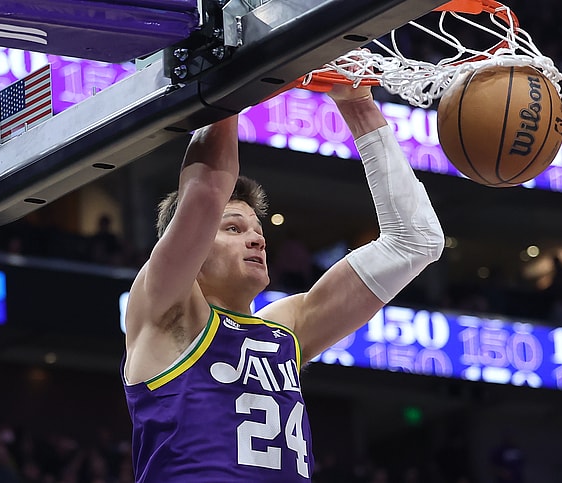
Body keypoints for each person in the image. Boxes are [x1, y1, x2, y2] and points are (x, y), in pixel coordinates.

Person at [121, 81, 444, 482]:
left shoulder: (285, 330)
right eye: (233, 229)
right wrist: (237, 75)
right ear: (193, 241)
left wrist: (358, 105)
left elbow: (416, 241)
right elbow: (205, 192)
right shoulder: (166, 310)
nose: (257, 238)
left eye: (256, 230)